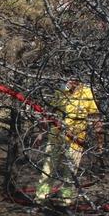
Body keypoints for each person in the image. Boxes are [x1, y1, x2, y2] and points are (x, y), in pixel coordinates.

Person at [35, 77, 100, 206]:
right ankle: (40, 199)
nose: (70, 82)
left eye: (73, 79)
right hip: (55, 138)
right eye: (68, 79)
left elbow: (95, 117)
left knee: (69, 173)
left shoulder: (87, 92)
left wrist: (99, 141)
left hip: (76, 141)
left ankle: (64, 201)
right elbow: (49, 114)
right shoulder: (60, 92)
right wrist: (41, 132)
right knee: (47, 170)